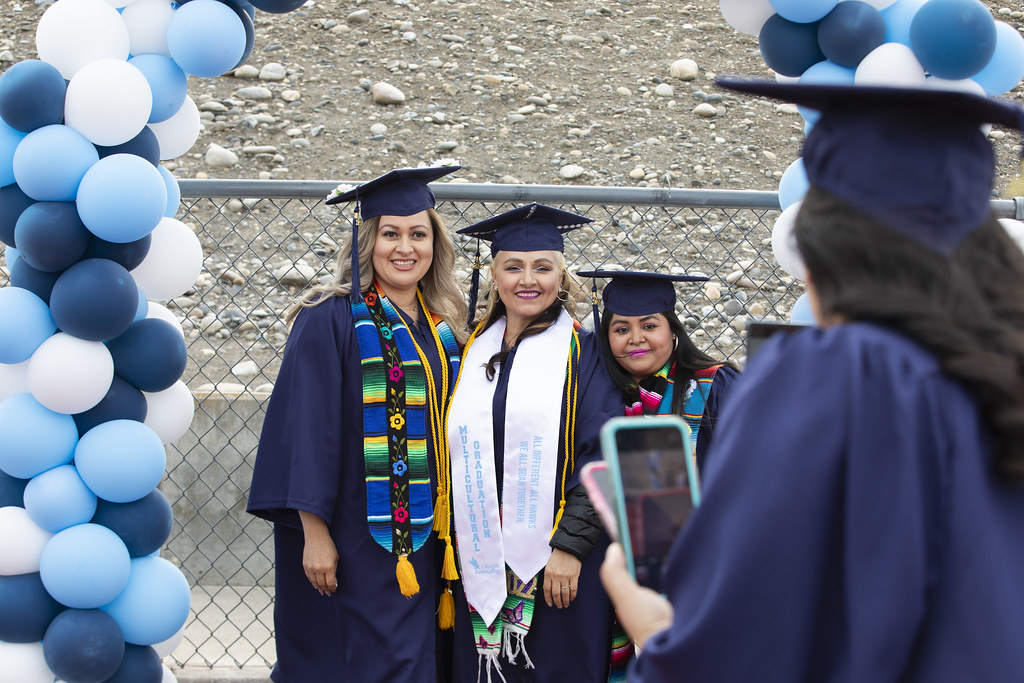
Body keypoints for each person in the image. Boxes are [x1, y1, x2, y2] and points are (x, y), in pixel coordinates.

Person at [600, 80, 1024, 682]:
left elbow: (739, 647)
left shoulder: (843, 371)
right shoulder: (1004, 369)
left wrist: (653, 627)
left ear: (821, 251)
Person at [247, 164, 469, 682]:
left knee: (411, 658)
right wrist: (315, 534)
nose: (404, 247)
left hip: (426, 535)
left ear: (435, 245)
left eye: (418, 234)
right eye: (390, 234)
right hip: (351, 534)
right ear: (366, 241)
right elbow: (307, 431)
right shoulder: (330, 318)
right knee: (356, 658)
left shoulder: (439, 329)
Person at [447, 203, 624, 682]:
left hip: (560, 565)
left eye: (543, 267)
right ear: (494, 275)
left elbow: (603, 456)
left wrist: (569, 548)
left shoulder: (585, 354)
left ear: (560, 276)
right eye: (514, 267)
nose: (529, 280)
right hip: (479, 555)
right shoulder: (470, 352)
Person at [577, 270, 739, 472]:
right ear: (606, 337)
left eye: (649, 326)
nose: (636, 339)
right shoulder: (593, 390)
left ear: (672, 331)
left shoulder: (716, 387)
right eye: (622, 330)